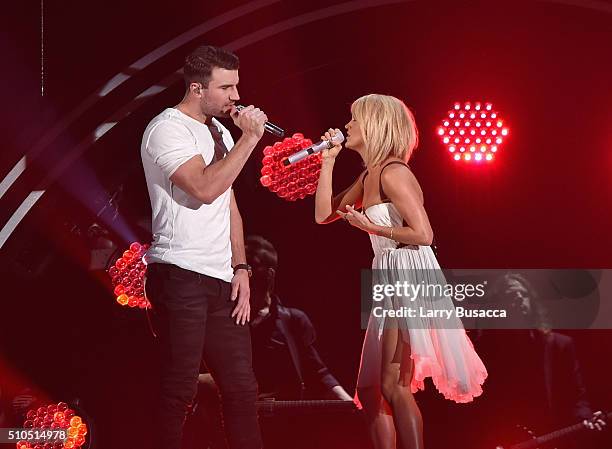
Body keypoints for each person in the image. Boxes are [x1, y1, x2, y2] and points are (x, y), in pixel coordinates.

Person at [314, 94, 488, 449]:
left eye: (354, 119)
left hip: (408, 274)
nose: (347, 126)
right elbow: (323, 215)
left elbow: (424, 234)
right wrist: (327, 163)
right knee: (370, 389)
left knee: (393, 384)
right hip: (388, 274)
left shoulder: (394, 172)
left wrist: (373, 229)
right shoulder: (370, 174)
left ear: (375, 125)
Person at [141, 45, 267, 449]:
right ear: (197, 88)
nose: (236, 97)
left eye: (237, 86)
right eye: (226, 87)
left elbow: (230, 205)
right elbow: (205, 188)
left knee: (242, 389)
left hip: (220, 279)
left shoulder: (221, 132)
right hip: (180, 274)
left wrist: (242, 269)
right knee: (180, 388)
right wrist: (250, 139)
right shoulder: (168, 128)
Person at [190, 235, 353, 449]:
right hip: (234, 427)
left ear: (268, 275)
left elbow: (318, 372)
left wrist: (351, 405)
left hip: (285, 428)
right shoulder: (223, 321)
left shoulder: (293, 321)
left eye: (250, 268)